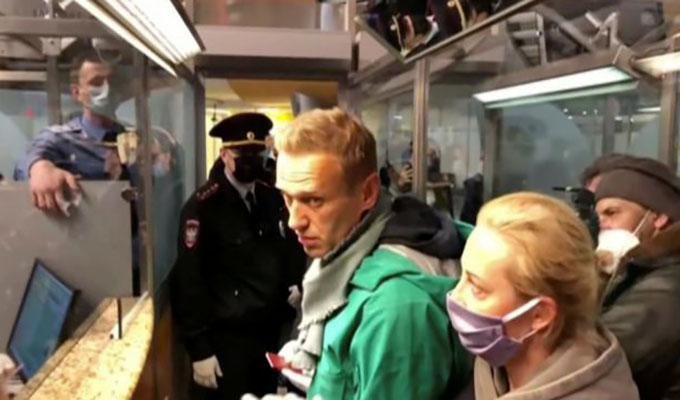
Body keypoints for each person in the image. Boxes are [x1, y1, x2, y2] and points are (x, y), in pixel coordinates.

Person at [269, 108, 471, 399]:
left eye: (313, 200)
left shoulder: (394, 308)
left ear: (367, 193)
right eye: (287, 198)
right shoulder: (346, 256)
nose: (293, 221)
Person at [447, 192, 638, 400]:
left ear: (540, 315)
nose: (456, 295)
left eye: (477, 289)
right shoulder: (494, 367)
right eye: (462, 276)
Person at [170, 112, 307, 400]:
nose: (250, 161)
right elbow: (189, 280)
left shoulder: (271, 198)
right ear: (224, 155)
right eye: (242, 155)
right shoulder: (203, 207)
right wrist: (199, 349)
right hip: (225, 340)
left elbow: (288, 244)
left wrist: (295, 281)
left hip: (268, 333)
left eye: (256, 154)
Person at [594, 157, 680, 400]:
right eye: (599, 217)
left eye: (612, 213)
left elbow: (596, 361)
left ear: (658, 217)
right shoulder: (641, 269)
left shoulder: (666, 284)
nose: (604, 226)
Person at [14, 49, 128, 213]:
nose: (107, 88)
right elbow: (29, 158)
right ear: (76, 93)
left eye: (112, 81)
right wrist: (40, 168)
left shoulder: (134, 137)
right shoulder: (62, 138)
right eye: (97, 82)